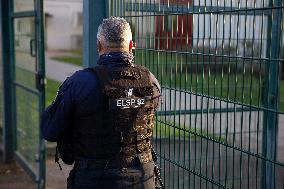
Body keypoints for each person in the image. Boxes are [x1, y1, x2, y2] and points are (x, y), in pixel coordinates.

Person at [41, 17, 161, 189]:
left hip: (94, 180)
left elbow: (49, 130)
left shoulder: (78, 83)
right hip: (143, 179)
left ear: (98, 46)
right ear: (131, 45)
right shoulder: (150, 80)